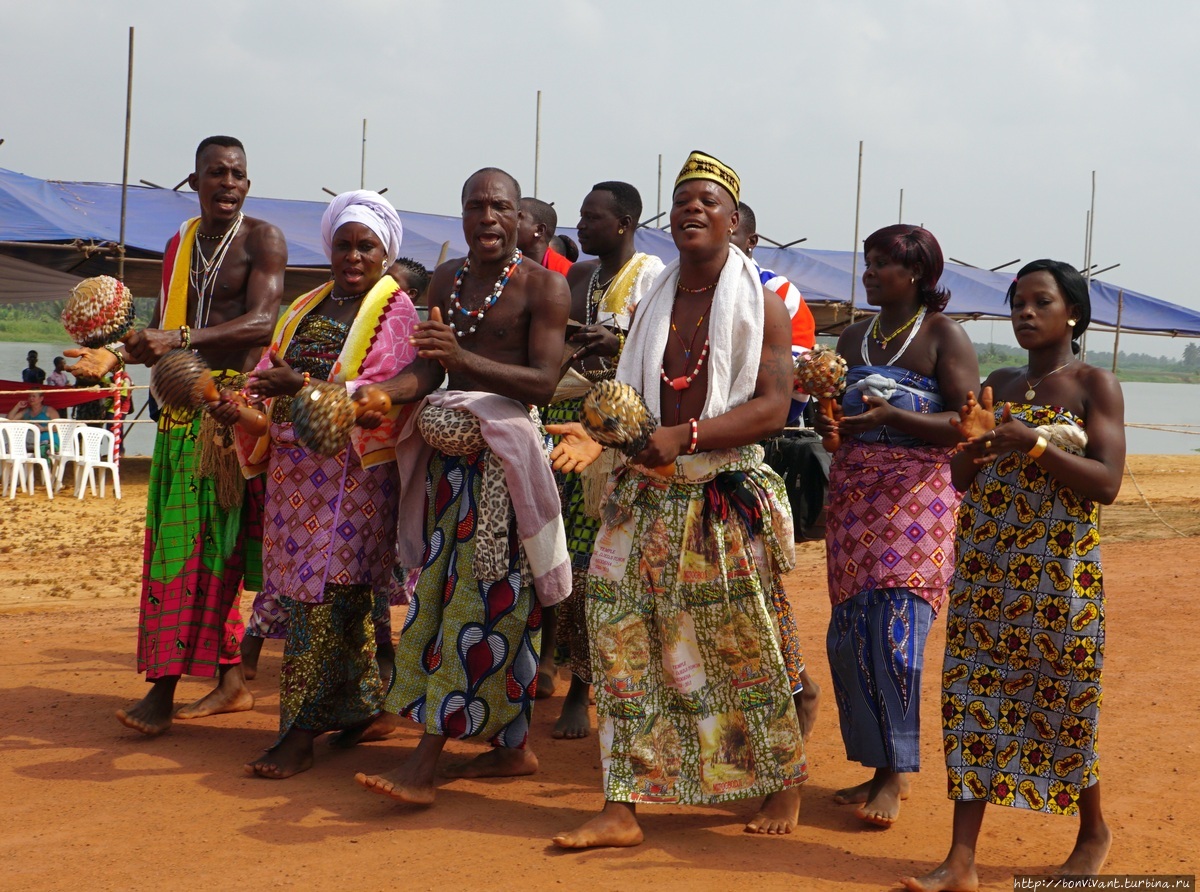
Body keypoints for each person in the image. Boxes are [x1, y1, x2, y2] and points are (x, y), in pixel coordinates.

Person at [551, 151, 807, 849]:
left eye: (707, 202)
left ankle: (782, 779)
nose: (692, 210)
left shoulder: (763, 308)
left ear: (732, 221)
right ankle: (622, 804)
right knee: (619, 641)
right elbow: (634, 412)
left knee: (743, 645)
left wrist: (685, 435)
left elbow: (774, 409)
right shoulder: (653, 302)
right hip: (644, 494)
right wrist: (599, 433)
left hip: (717, 497)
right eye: (682, 201)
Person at [353, 167, 571, 806]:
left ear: (519, 217)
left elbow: (542, 384)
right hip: (450, 474)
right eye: (476, 207)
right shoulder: (448, 279)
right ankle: (513, 750)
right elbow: (427, 366)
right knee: (445, 598)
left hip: (507, 474)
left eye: (500, 207)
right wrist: (383, 394)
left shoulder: (545, 287)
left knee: (481, 607)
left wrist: (462, 362)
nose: (488, 218)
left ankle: (426, 760)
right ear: (463, 215)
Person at [902, 260, 1122, 891]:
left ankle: (1093, 832)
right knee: (974, 703)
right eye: (1018, 302)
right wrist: (972, 447)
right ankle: (961, 861)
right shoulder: (999, 381)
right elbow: (966, 481)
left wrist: (1031, 444)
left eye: (1040, 302)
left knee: (1062, 699)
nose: (1025, 313)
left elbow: (1106, 483)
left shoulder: (1093, 384)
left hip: (1059, 579)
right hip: (986, 570)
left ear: (1072, 313)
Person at [67, 135, 288, 736]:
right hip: (177, 412)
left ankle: (164, 692)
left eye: (238, 174)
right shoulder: (179, 244)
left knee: (200, 553)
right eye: (216, 173)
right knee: (183, 549)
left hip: (226, 416)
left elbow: (265, 321)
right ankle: (232, 681)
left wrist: (181, 339)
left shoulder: (262, 238)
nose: (229, 183)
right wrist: (115, 354)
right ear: (193, 182)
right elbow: (162, 337)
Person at [237, 191, 418, 779]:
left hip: (353, 475)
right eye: (344, 243)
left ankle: (298, 733)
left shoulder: (396, 312)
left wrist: (302, 386)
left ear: (386, 251)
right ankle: (361, 708)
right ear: (329, 246)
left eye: (366, 244)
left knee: (326, 596)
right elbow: (270, 367)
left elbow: (384, 390)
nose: (354, 255)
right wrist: (247, 399)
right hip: (294, 475)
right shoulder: (306, 306)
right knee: (326, 597)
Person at [816, 224, 978, 827]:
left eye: (882, 264)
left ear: (915, 273)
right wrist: (834, 428)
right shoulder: (853, 337)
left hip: (918, 497)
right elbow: (831, 416)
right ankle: (874, 763)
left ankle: (895, 774)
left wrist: (898, 417)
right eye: (868, 262)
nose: (870, 273)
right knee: (851, 635)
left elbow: (968, 425)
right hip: (855, 495)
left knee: (897, 632)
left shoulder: (943, 336)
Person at [538, 181, 664, 739]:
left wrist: (613, 341)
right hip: (564, 428)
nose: (582, 227)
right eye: (581, 218)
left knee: (594, 566)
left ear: (625, 222)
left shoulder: (652, 277)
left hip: (610, 439)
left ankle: (583, 691)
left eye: (593, 218)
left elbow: (652, 348)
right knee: (552, 553)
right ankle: (549, 661)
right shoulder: (575, 277)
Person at [730, 200, 821, 737]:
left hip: (754, 463)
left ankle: (795, 690)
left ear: (749, 239)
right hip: (683, 467)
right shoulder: (677, 293)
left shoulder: (779, 296)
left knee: (754, 590)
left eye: (732, 231)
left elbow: (796, 388)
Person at [517, 197, 573, 275]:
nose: (509, 222)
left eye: (518, 217)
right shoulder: (499, 266)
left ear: (539, 230)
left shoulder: (568, 273)